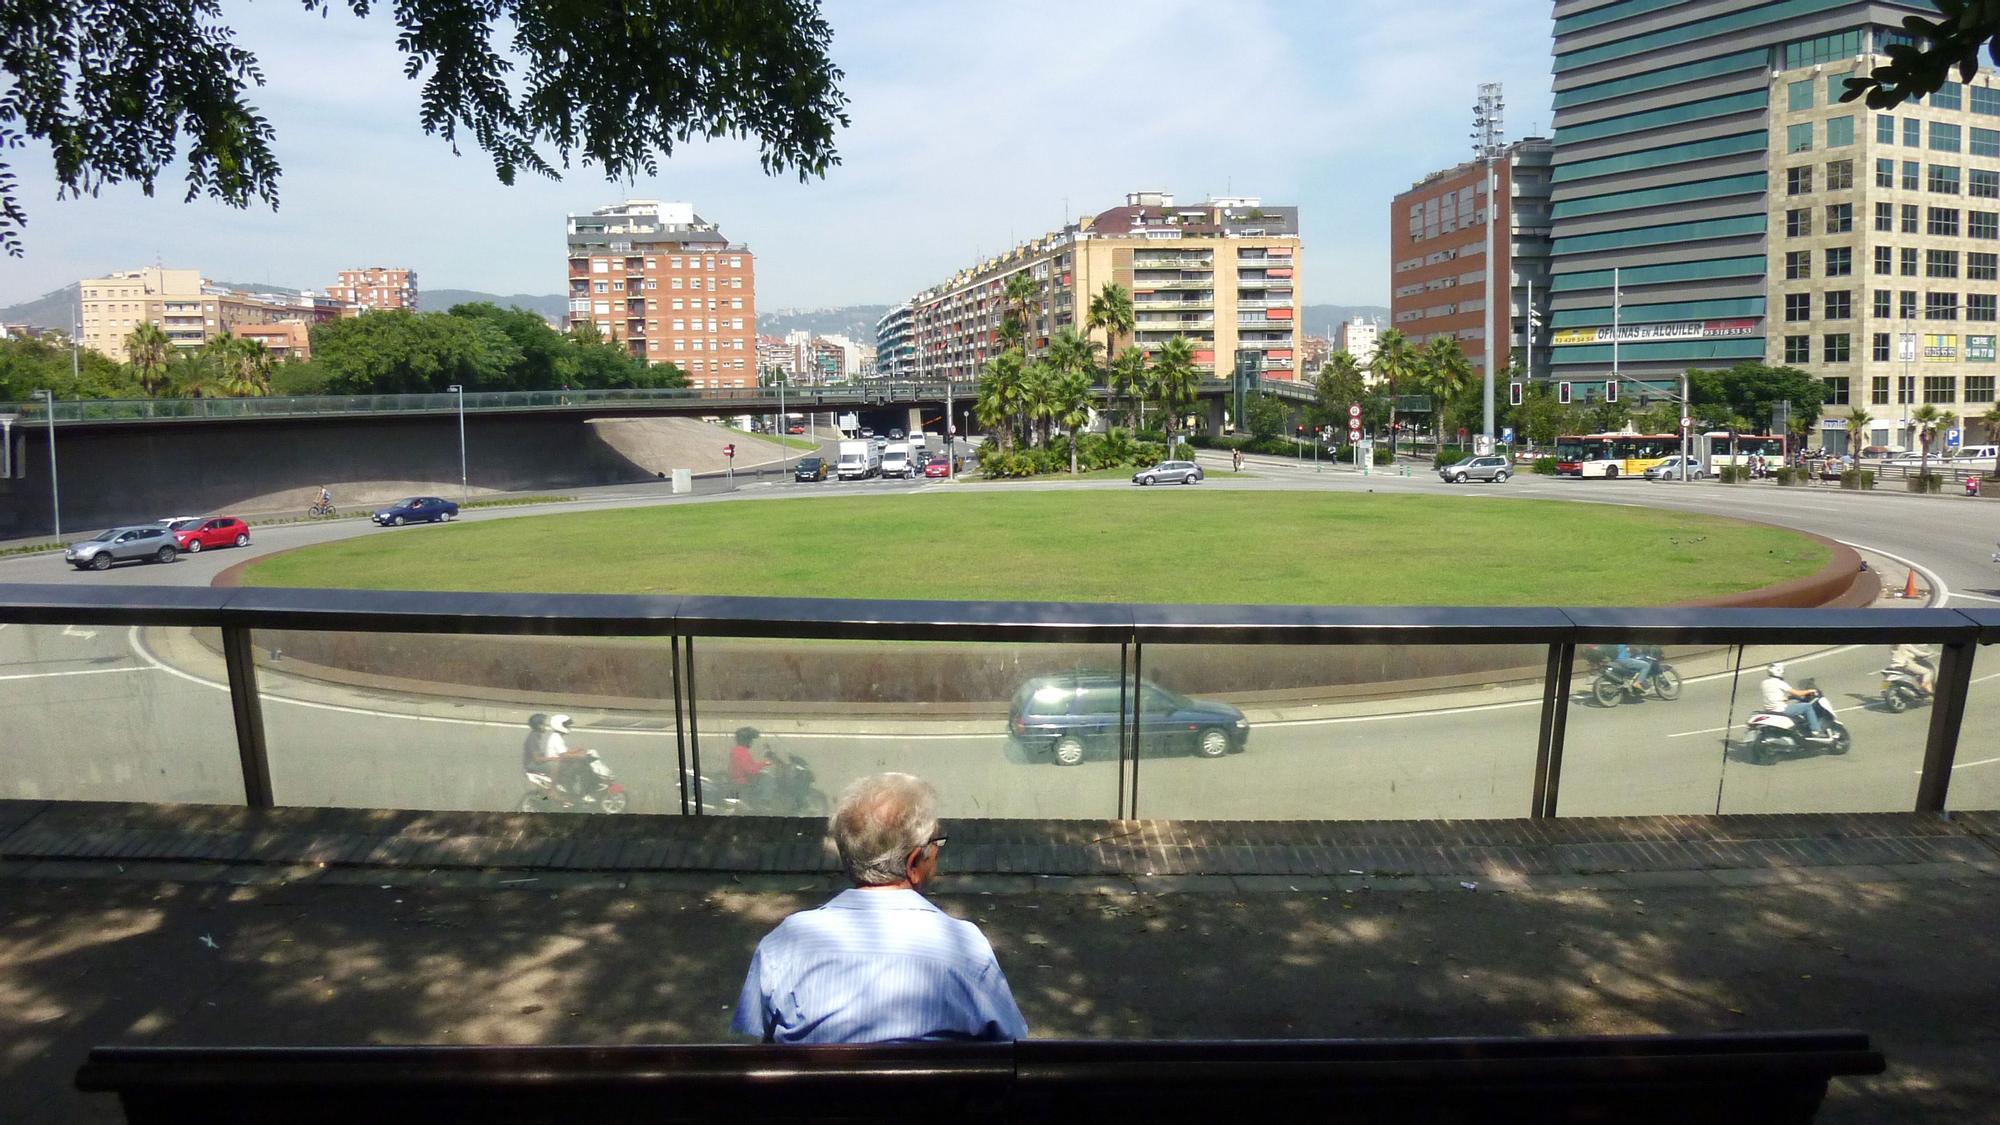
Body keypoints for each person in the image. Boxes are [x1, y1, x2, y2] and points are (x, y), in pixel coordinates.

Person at [732, 773, 1027, 1044]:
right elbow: (1010, 1045)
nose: (937, 852)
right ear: (913, 864)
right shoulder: (965, 948)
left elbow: (753, 1047)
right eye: (936, 843)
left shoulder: (784, 944)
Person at [522, 713, 592, 803]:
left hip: (536, 762)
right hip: (532, 765)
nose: (545, 726)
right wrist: (552, 758)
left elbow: (564, 751)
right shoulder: (533, 738)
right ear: (538, 726)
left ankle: (570, 790)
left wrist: (579, 750)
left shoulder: (538, 736)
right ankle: (553, 790)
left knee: (573, 765)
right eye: (543, 724)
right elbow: (537, 759)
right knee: (555, 764)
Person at [1758, 663, 1827, 739]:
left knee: (1795, 706)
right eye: (1783, 671)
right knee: (1807, 706)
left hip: (1770, 710)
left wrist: (1787, 698)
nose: (1783, 673)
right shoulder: (1779, 683)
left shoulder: (1764, 683)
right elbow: (1798, 693)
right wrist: (1810, 691)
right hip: (1781, 710)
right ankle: (1816, 731)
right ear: (1779, 671)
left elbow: (1772, 694)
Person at [729, 726, 770, 799]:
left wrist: (761, 764)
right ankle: (764, 802)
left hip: (739, 782)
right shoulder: (741, 752)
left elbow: (749, 765)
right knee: (767, 778)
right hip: (742, 784)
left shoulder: (737, 750)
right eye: (750, 740)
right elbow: (749, 770)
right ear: (746, 740)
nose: (751, 742)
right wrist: (764, 763)